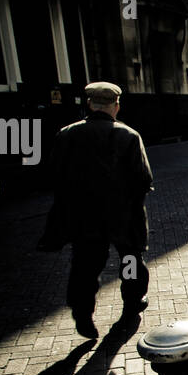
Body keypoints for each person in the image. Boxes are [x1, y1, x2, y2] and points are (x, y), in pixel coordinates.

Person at [37, 82, 152, 340]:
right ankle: (132, 303)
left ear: (89, 104)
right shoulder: (128, 136)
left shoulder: (66, 134)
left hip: (83, 216)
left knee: (85, 265)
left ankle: (82, 312)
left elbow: (53, 174)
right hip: (123, 217)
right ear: (116, 106)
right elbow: (143, 179)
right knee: (130, 260)